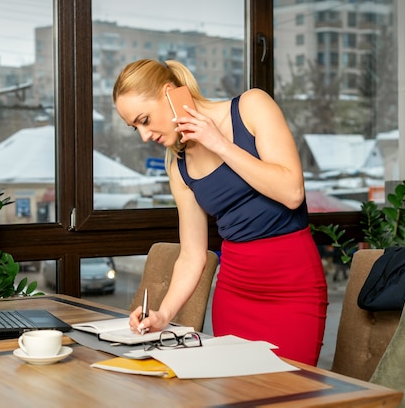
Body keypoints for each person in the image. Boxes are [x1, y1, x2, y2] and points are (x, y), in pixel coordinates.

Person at [113, 59, 327, 366]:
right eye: (135, 127)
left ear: (169, 93)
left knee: (292, 393)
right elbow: (192, 256)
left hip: (294, 289)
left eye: (144, 120)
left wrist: (219, 144)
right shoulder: (178, 166)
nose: (144, 135)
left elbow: (292, 193)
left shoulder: (252, 106)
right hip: (235, 294)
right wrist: (163, 314)